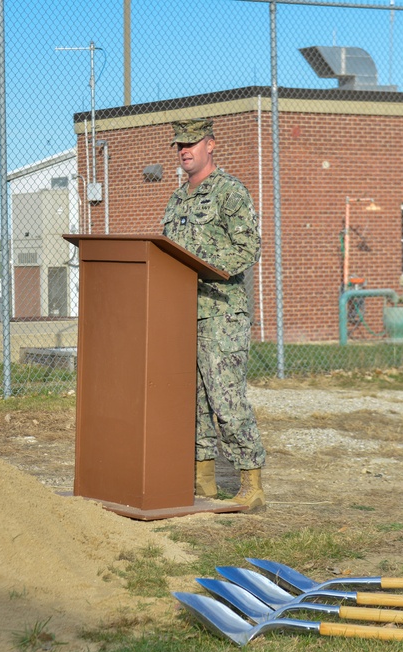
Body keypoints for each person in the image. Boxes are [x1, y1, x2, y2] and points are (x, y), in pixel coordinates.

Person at [161, 117, 266, 511]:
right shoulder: (176, 199)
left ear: (211, 145)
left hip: (221, 312)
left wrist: (199, 265)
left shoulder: (229, 192)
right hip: (180, 311)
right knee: (192, 400)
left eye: (191, 143)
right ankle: (203, 480)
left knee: (225, 399)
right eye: (178, 145)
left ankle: (252, 483)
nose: (184, 150)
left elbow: (248, 248)